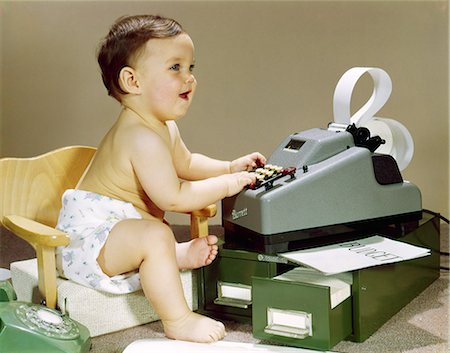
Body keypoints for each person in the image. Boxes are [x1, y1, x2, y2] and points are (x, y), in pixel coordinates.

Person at [55, 14, 266, 343]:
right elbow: (175, 198)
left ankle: (172, 255)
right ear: (132, 81)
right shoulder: (140, 135)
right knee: (154, 234)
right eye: (175, 68)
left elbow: (187, 162)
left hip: (121, 233)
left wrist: (228, 167)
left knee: (154, 233)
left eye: (191, 68)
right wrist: (229, 185)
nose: (189, 79)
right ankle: (178, 320)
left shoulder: (163, 126)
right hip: (89, 244)